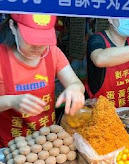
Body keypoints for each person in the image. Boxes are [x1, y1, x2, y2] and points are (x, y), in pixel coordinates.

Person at [0, 14, 85, 147]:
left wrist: (75, 88)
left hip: (47, 141)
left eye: (43, 39)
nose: (38, 46)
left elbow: (75, 83)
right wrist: (11, 101)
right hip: (11, 148)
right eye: (31, 39)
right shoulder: (2, 58)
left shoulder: (53, 53)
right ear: (12, 26)